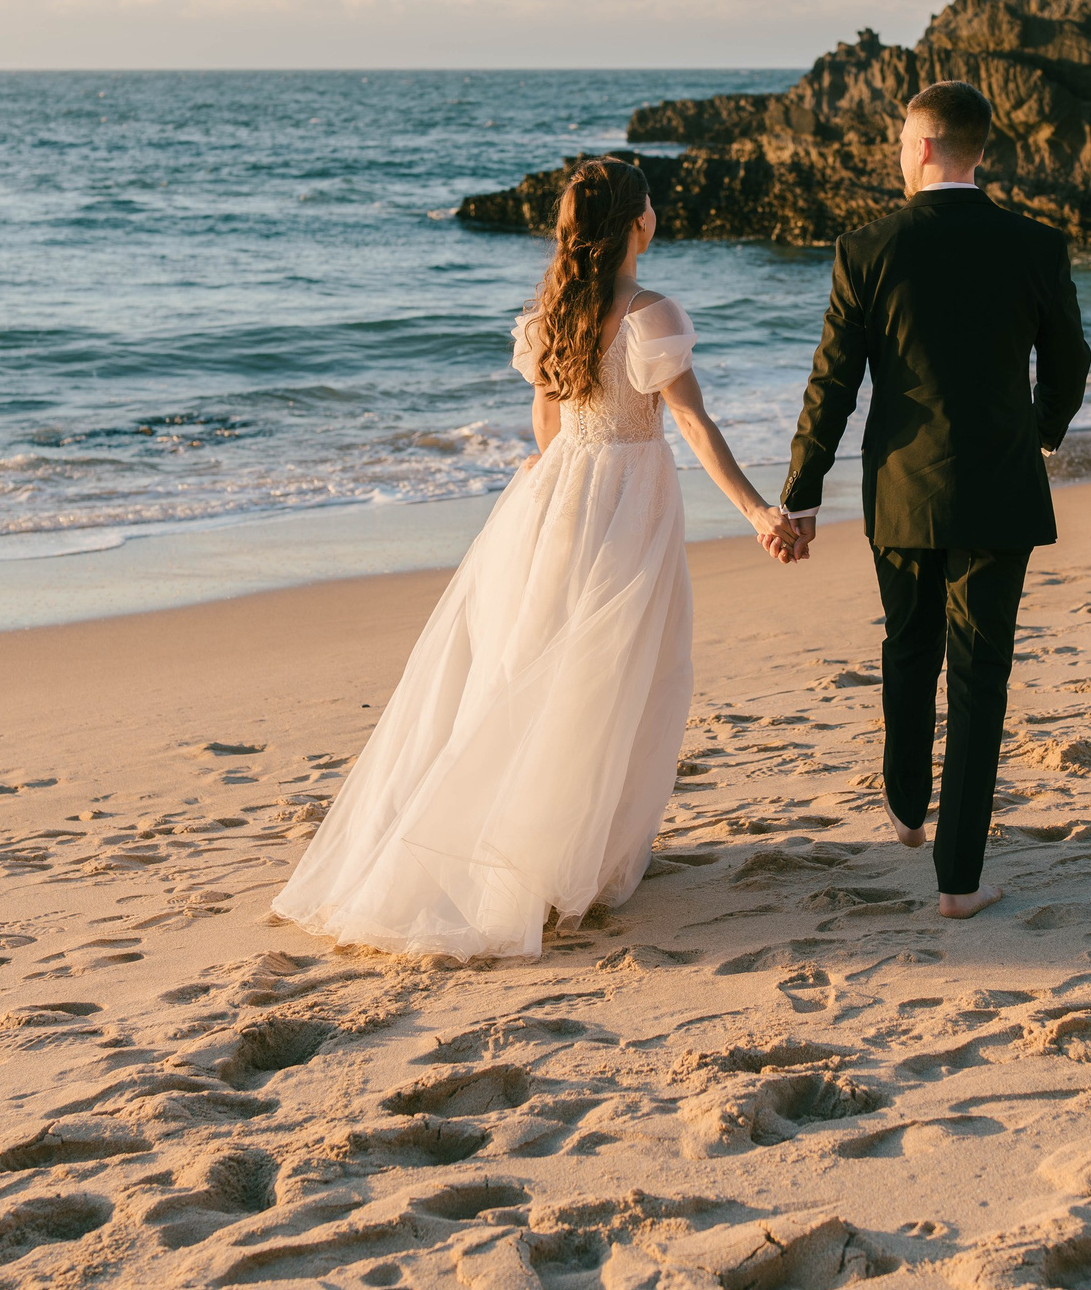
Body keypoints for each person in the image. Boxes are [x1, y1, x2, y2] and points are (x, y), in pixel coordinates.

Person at [271, 157, 794, 959]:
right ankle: (578, 860)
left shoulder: (552, 311)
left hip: (555, 503)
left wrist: (557, 486)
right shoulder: (652, 313)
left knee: (540, 670)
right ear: (634, 224)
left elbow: (547, 432)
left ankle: (544, 854)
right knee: (623, 673)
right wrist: (758, 509)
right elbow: (691, 425)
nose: (656, 211)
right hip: (629, 506)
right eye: (648, 202)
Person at [771, 81, 1091, 920]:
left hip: (902, 492)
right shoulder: (1036, 244)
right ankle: (959, 881)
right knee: (980, 676)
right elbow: (1070, 363)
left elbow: (831, 384)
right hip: (998, 486)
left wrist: (802, 492)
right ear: (977, 151)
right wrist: (1042, 431)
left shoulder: (867, 248)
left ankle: (907, 808)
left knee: (909, 644)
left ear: (917, 148)